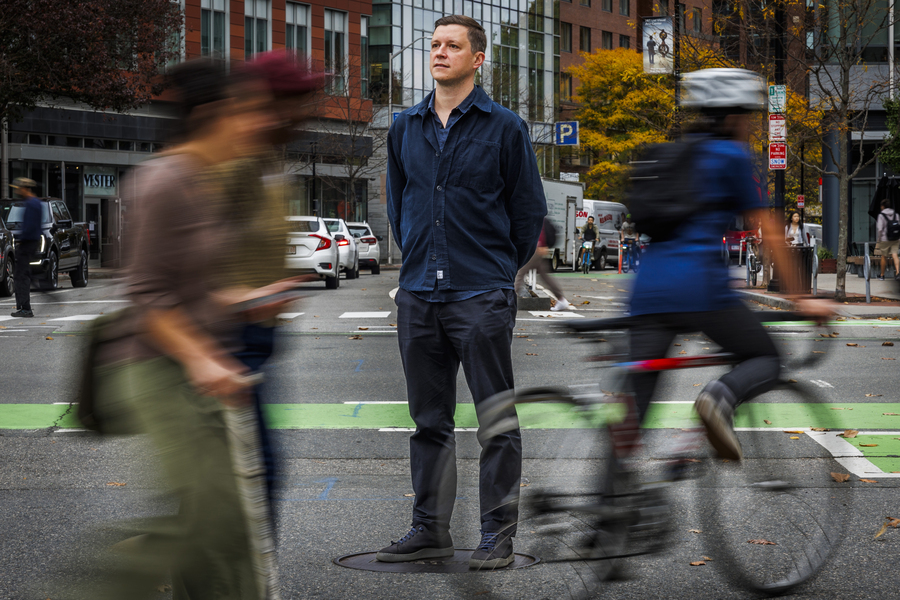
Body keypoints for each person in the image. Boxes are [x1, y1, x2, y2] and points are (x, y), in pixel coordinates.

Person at [89, 59, 306, 599]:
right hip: (157, 371)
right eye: (246, 112)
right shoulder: (161, 182)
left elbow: (193, 285)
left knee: (227, 515)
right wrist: (201, 358)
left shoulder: (202, 182)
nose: (257, 123)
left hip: (205, 365)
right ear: (215, 115)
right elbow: (146, 295)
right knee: (209, 518)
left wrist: (248, 298)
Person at [381, 14, 546, 570]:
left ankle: (496, 534)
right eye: (434, 44)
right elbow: (401, 209)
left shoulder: (505, 128)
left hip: (480, 294)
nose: (439, 52)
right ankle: (429, 529)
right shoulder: (404, 128)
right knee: (429, 422)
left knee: (495, 421)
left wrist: (496, 271)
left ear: (477, 59)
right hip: (418, 294)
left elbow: (527, 213)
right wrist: (419, 263)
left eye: (452, 46)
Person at [626, 68, 831, 462]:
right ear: (734, 117)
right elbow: (771, 233)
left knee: (634, 411)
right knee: (766, 358)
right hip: (699, 289)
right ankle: (719, 398)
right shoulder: (731, 156)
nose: (750, 126)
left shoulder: (672, 155)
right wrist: (802, 298)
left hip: (647, 290)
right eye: (749, 117)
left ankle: (613, 490)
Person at [515, 217, 574, 311]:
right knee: (545, 276)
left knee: (520, 272)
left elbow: (539, 229)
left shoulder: (534, 215)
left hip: (536, 249)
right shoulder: (537, 214)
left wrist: (540, 244)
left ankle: (508, 300)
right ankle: (561, 299)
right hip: (538, 248)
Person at [9, 177, 41, 318]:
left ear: (25, 188)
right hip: (31, 242)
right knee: (22, 274)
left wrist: (20, 239)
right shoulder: (35, 202)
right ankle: (23, 307)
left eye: (19, 189)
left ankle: (25, 308)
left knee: (21, 276)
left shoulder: (31, 203)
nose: (17, 191)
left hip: (27, 243)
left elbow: (30, 226)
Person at [875, 198, 900, 281]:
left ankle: (882, 275)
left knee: (884, 256)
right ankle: (898, 273)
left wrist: (880, 238)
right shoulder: (896, 215)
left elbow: (880, 229)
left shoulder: (881, 215)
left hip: (885, 239)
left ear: (882, 206)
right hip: (895, 238)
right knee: (895, 254)